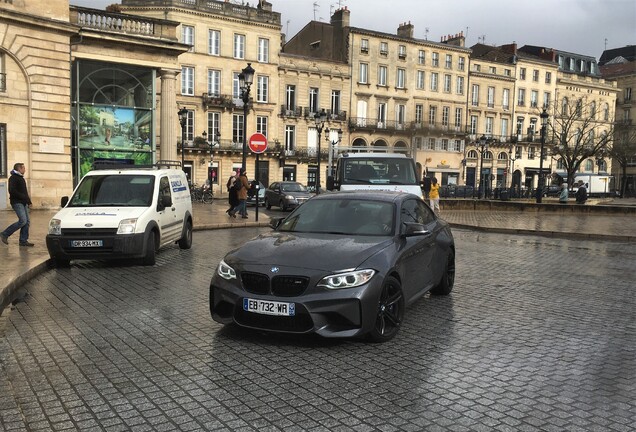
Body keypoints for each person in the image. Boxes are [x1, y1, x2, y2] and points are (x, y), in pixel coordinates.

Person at [1, 163, 34, 247]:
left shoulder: (21, 178)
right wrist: (22, 197)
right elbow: (12, 191)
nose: (25, 170)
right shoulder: (13, 178)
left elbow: (25, 192)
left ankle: (23, 240)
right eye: (24, 168)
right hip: (17, 202)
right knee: (23, 221)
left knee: (27, 222)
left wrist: (29, 202)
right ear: (19, 169)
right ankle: (5, 234)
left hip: (23, 202)